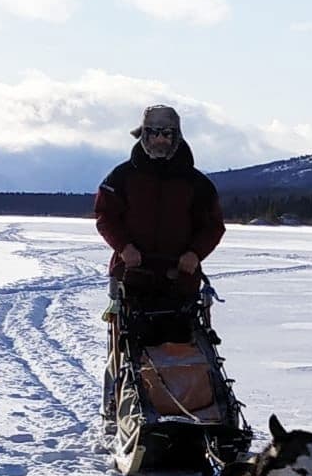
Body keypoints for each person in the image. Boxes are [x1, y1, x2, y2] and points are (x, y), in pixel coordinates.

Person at [93, 105, 225, 431]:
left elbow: (213, 226)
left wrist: (195, 253)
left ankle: (192, 407)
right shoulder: (121, 177)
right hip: (130, 277)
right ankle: (116, 410)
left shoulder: (197, 184)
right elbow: (105, 217)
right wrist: (124, 248)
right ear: (143, 133)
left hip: (179, 280)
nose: (160, 139)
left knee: (182, 348)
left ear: (177, 136)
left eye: (167, 133)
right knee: (124, 347)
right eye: (153, 132)